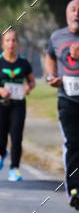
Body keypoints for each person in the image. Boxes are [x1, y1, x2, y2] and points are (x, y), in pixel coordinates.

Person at [45, 0, 79, 211]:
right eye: (73, 10)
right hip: (67, 100)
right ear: (67, 14)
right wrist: (51, 76)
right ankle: (75, 189)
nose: (77, 14)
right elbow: (50, 56)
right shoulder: (57, 37)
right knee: (74, 143)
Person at [0, 28, 35, 181]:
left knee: (16, 136)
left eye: (14, 40)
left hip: (18, 105)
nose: (11, 43)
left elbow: (32, 81)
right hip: (1, 105)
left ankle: (15, 168)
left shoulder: (24, 63)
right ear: (3, 43)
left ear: (17, 43)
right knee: (1, 137)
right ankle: (2, 153)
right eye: (8, 40)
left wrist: (28, 87)